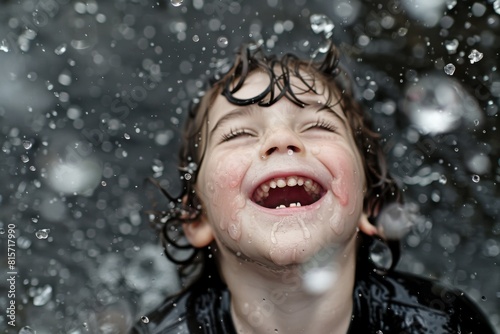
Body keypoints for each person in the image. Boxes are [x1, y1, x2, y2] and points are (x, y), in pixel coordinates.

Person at [131, 41, 495, 334]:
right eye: (238, 133)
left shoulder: (441, 323)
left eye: (318, 126)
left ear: (372, 206)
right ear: (197, 217)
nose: (282, 140)